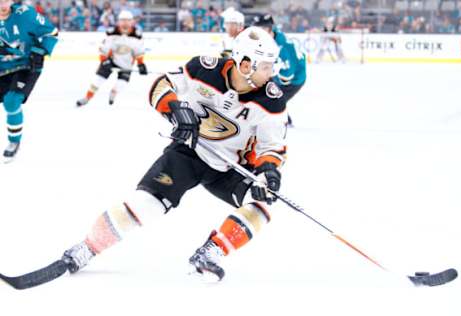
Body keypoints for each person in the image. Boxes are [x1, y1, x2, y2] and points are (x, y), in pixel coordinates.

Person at [61, 26, 287, 281]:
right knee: (147, 204)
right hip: (188, 152)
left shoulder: (272, 100)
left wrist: (269, 171)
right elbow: (160, 85)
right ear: (246, 65)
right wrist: (174, 108)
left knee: (264, 204)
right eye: (266, 66)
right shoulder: (204, 68)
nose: (271, 73)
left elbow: (273, 147)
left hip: (231, 168)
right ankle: (88, 247)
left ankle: (212, 252)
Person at [0, 0, 58, 162]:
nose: (2, 4)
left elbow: (51, 33)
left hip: (26, 66)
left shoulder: (25, 14)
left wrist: (39, 51)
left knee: (11, 101)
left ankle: (14, 142)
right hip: (3, 67)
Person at [76, 10, 147, 107]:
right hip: (110, 61)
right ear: (118, 22)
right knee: (98, 80)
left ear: (132, 22)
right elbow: (103, 49)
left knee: (121, 84)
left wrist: (141, 64)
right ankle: (87, 98)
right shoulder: (111, 32)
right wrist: (104, 61)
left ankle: (113, 93)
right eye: (122, 20)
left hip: (126, 64)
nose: (125, 23)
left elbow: (139, 52)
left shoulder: (137, 35)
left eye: (127, 21)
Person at [253, 14, 306, 127]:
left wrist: (271, 72)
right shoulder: (271, 37)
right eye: (258, 29)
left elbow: (287, 75)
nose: (260, 32)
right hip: (283, 72)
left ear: (270, 29)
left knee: (273, 98)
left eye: (263, 29)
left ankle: (284, 121)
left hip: (295, 78)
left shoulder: (281, 47)